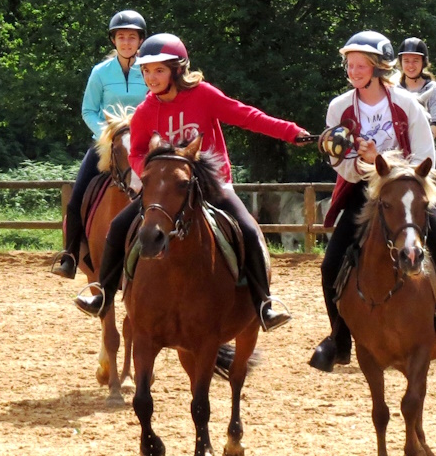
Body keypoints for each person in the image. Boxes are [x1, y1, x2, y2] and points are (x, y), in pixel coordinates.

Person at [73, 33, 313, 331]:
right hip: (166, 192)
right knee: (119, 226)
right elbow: (136, 151)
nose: (151, 77)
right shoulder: (146, 111)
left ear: (177, 70)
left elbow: (247, 116)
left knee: (249, 229)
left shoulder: (204, 95)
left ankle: (264, 303)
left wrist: (291, 132)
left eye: (159, 70)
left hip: (212, 186)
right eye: (146, 71)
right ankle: (104, 295)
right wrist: (147, 173)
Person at [308, 31, 436, 372]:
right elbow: (339, 163)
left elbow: (423, 155)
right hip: (363, 189)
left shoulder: (407, 104)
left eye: (361, 65)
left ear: (378, 68)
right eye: (350, 64)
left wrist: (383, 162)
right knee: (330, 262)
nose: (354, 70)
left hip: (407, 187)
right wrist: (365, 166)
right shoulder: (339, 107)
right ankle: (339, 337)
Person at [51, 10, 148, 279]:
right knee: (76, 198)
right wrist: (106, 135)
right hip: (106, 144)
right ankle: (70, 255)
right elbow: (88, 110)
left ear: (140, 40)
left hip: (143, 144)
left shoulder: (151, 69)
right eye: (121, 37)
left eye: (132, 37)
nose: (126, 42)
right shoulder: (100, 72)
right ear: (113, 40)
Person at [396, 37, 436, 207]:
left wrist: (420, 145)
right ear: (401, 62)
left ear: (424, 62)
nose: (410, 65)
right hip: (395, 148)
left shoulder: (434, 90)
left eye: (415, 61)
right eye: (406, 61)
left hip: (425, 147)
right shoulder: (393, 90)